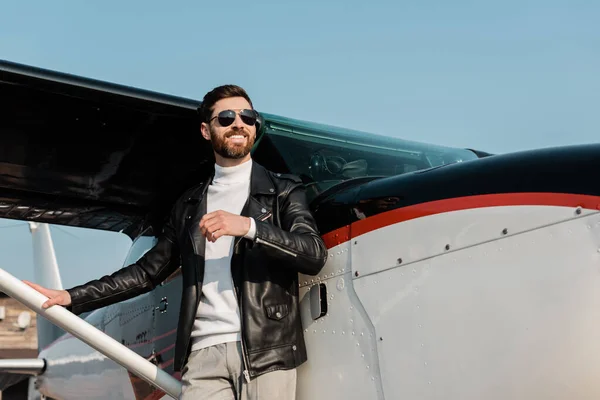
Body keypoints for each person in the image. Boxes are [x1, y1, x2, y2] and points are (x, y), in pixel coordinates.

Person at [24, 84, 328, 399]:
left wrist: (250, 227)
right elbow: (145, 273)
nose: (239, 123)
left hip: (265, 351)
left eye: (247, 117)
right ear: (207, 130)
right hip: (201, 357)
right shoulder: (188, 206)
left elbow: (313, 254)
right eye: (225, 117)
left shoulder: (284, 191)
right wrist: (71, 297)